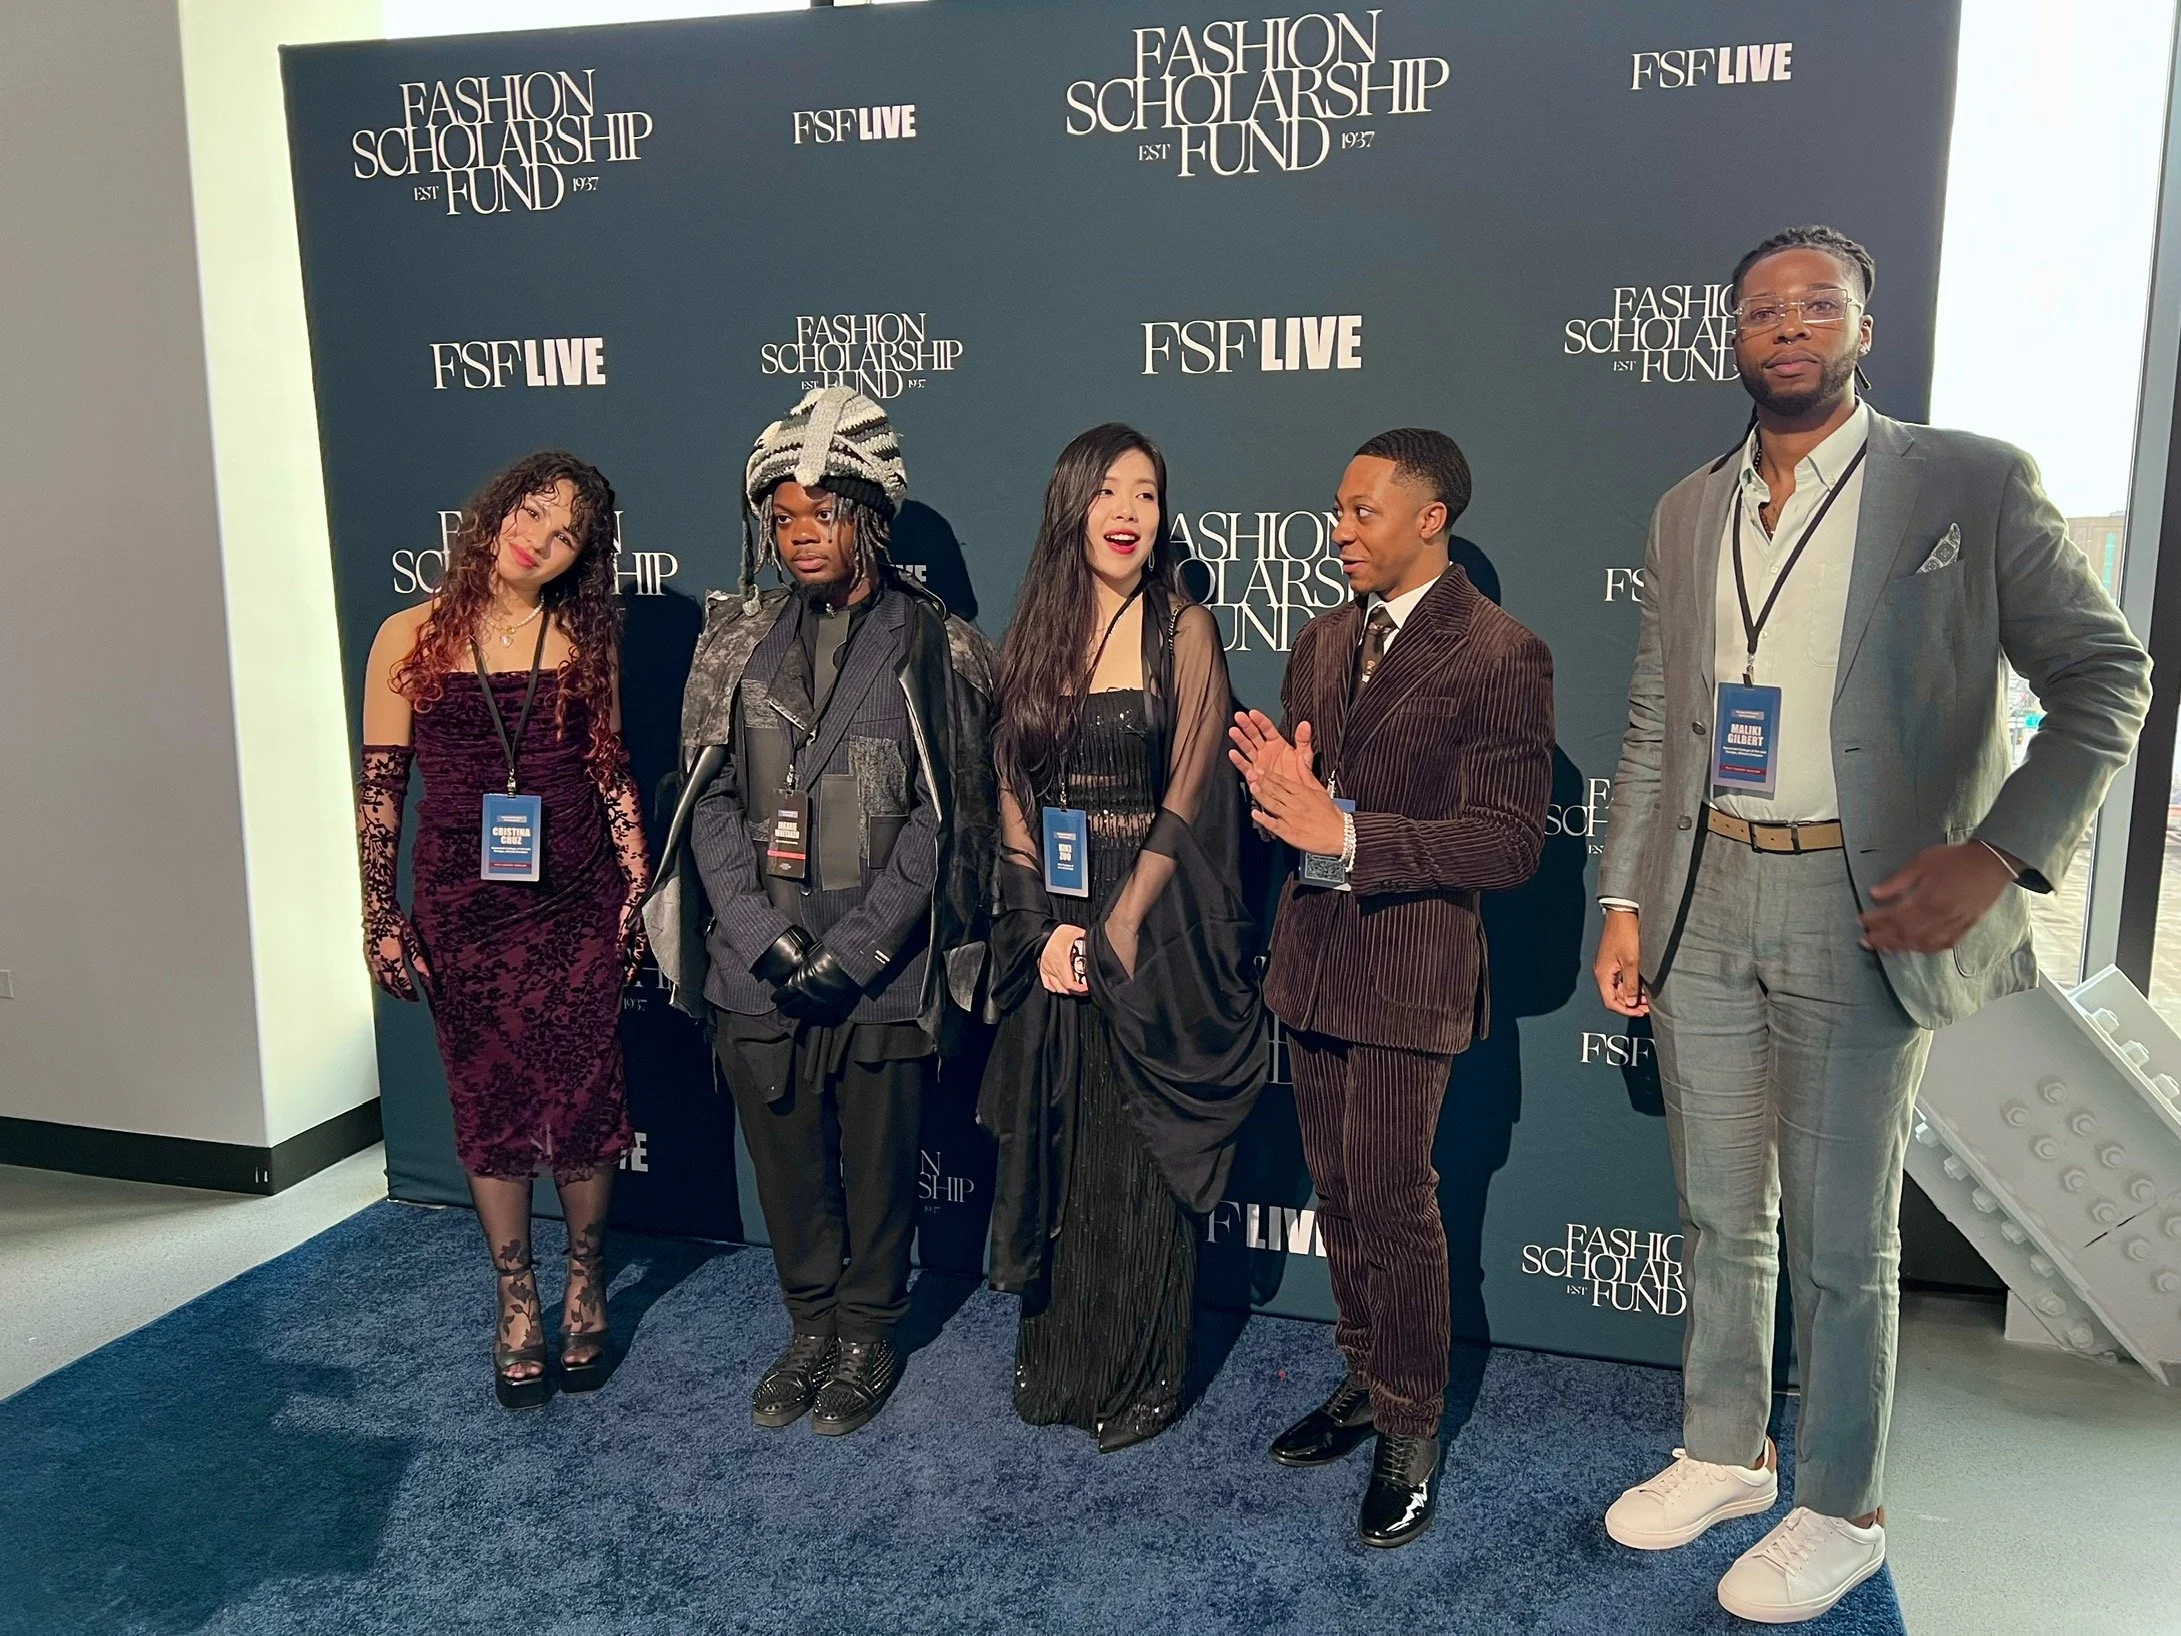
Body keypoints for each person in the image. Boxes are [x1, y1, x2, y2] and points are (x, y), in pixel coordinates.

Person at [1593, 225, 2150, 1623]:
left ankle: (1842, 1507)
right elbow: (1659, 723)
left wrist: (2002, 854)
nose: (1788, 326)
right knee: (1720, 1208)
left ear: (1862, 327)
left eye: (1816, 305)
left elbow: (2105, 678)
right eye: (1761, 309)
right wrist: (1621, 895)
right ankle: (1725, 1451)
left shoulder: (1963, 480)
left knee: (1842, 1238)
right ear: (1729, 338)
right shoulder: (1685, 507)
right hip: (1703, 885)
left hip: (1864, 901)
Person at [645, 387, 996, 1437]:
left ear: (870, 520)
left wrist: (853, 949)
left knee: (882, 1167)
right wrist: (765, 935)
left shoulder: (943, 649)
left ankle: (868, 1331)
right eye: (784, 518)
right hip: (754, 965)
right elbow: (704, 803)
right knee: (788, 1163)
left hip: (880, 974)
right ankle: (807, 1327)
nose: (801, 536)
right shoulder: (731, 642)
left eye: (822, 515)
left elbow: (951, 824)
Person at [1232, 429, 1554, 1547]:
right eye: (1336, 508)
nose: (1339, 531)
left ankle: (1412, 1424)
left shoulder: (1502, 653)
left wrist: (1351, 831)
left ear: (1431, 516)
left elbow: (1509, 843)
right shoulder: (1322, 640)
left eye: (1363, 511)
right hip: (1312, 961)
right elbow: (1311, 807)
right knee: (1337, 1188)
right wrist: (1287, 789)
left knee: (1394, 1199)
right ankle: (1365, 1379)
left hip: (1410, 971)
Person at [980, 425, 1267, 1454]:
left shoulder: (1182, 627)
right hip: (1056, 922)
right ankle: (1062, 1351)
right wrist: (1044, 927)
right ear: (1071, 504)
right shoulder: (1033, 635)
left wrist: (1118, 924)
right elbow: (1011, 785)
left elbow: (1191, 791)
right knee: (1068, 1144)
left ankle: (1148, 1364)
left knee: (1141, 1152)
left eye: (1147, 493)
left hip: (1152, 922)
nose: (1128, 510)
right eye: (1108, 490)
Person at [356, 450, 651, 1411]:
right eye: (530, 512)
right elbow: (380, 794)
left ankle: (583, 1279)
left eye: (565, 533)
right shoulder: (405, 636)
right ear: (494, 512)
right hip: (462, 911)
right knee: (488, 1101)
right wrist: (378, 915)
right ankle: (516, 1297)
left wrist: (638, 884)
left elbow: (609, 770)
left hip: (574, 901)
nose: (537, 537)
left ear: (581, 558)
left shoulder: (580, 642)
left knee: (584, 1095)